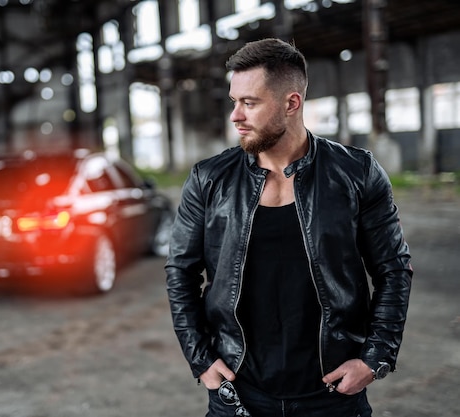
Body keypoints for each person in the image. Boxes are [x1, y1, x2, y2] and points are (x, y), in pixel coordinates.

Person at [165, 38, 413, 417]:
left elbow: (393, 269)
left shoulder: (356, 173)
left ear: (291, 103)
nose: (235, 115)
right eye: (234, 101)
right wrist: (200, 359)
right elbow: (180, 272)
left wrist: (374, 357)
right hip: (238, 393)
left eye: (249, 103)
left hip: (332, 393)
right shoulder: (208, 179)